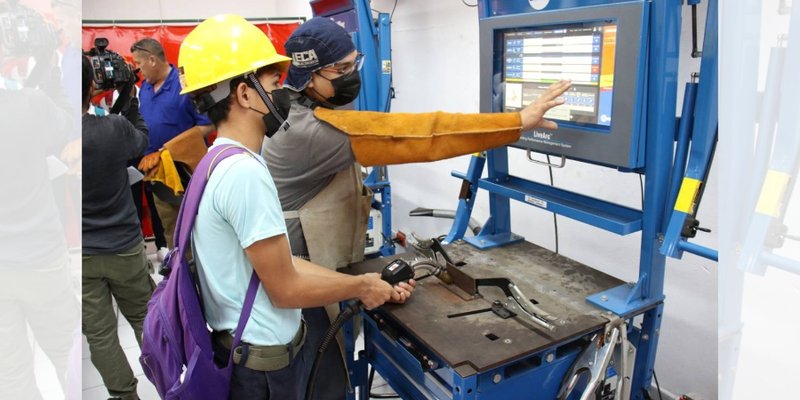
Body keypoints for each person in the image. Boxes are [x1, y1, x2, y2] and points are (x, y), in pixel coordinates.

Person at [262, 16, 572, 399]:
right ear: (308, 76)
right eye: (340, 69)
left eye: (354, 64)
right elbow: (421, 134)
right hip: (302, 283)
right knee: (320, 378)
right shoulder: (310, 132)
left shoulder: (293, 110)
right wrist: (516, 122)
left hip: (307, 270)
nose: (351, 76)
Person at [176, 14, 415, 398]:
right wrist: (360, 287)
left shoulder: (216, 159)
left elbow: (282, 264)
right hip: (262, 368)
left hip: (242, 348)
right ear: (244, 94)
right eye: (274, 84)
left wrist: (364, 285)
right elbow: (285, 288)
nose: (283, 95)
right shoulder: (244, 174)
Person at [0, 3, 79, 396]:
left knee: (12, 374)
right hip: (40, 260)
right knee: (65, 353)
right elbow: (66, 122)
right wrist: (46, 65)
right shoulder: (29, 106)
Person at [81, 55, 155, 400]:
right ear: (92, 86)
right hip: (124, 245)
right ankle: (169, 382)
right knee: (144, 318)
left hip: (78, 254)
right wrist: (130, 99)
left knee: (99, 334)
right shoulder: (113, 129)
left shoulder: (46, 135)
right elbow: (140, 139)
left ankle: (124, 396)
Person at [130, 37, 214, 254]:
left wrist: (169, 150)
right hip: (158, 175)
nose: (138, 70)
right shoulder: (145, 89)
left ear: (152, 60)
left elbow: (207, 125)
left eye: (139, 64)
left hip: (188, 171)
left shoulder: (184, 83)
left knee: (199, 226)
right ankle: (179, 275)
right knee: (172, 230)